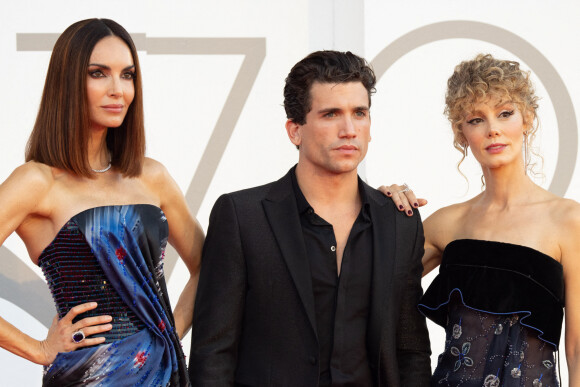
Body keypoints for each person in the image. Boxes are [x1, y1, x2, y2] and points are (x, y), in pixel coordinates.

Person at [189, 50, 431, 386]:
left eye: (359, 113)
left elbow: (411, 350)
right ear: (295, 131)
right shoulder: (243, 217)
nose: (349, 129)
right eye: (331, 114)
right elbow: (213, 354)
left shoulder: (399, 221)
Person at [0, 18, 203, 386]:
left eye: (127, 75)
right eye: (99, 74)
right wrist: (39, 349)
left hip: (164, 375)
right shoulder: (36, 181)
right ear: (67, 82)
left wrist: (167, 334)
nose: (118, 90)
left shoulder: (151, 175)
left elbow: (210, 266)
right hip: (87, 377)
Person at [384, 54, 580, 386]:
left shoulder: (567, 220)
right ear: (461, 133)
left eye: (505, 113)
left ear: (527, 118)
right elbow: (368, 286)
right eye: (476, 119)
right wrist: (380, 207)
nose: (493, 130)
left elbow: (577, 348)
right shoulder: (447, 224)